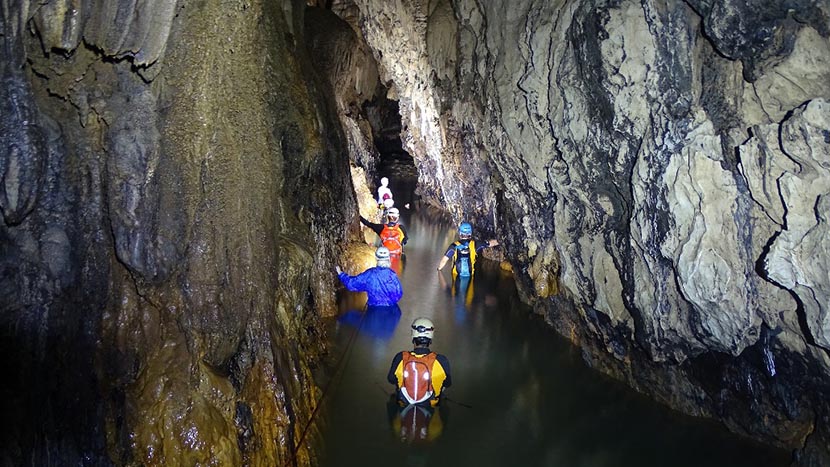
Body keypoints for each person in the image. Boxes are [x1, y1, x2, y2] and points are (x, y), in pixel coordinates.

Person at [387, 317, 451, 407]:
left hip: (404, 404)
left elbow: (391, 379)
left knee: (393, 396)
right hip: (430, 407)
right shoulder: (441, 360)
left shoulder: (400, 357)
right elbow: (447, 383)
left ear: (413, 335)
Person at [336, 246, 403, 306]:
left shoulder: (370, 274)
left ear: (376, 258)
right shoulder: (392, 275)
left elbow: (352, 284)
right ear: (388, 258)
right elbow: (399, 294)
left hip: (373, 311)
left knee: (349, 317)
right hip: (392, 311)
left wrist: (341, 274)